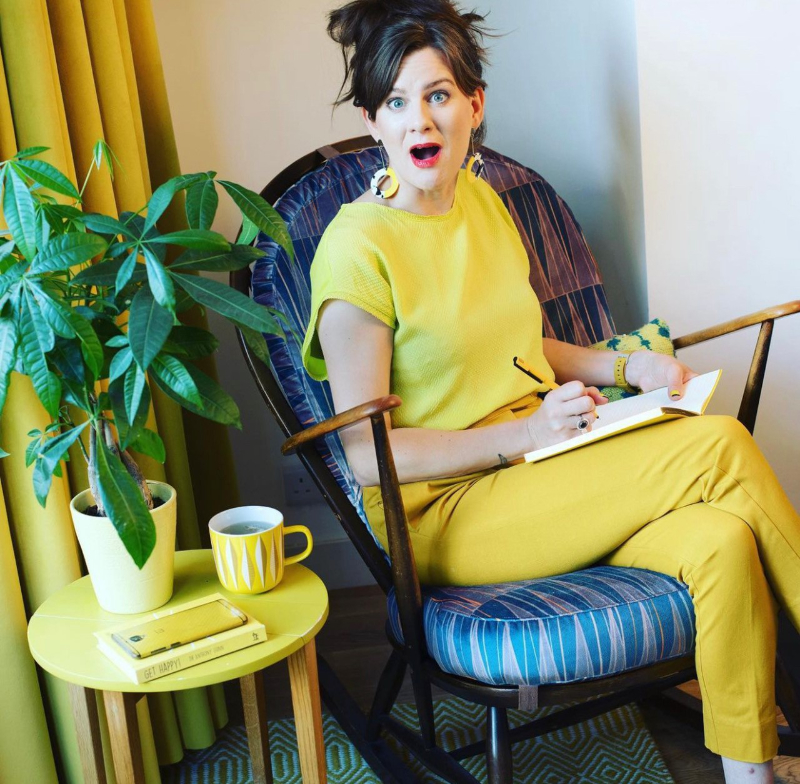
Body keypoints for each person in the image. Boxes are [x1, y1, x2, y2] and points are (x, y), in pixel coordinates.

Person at [300, 1, 800, 780]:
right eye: (395, 102)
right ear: (372, 122)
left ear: (474, 105)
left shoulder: (482, 202)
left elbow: (522, 343)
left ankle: (751, 774)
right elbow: (366, 456)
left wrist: (630, 369)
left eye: (437, 94)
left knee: (721, 541)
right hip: (446, 511)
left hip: (541, 470)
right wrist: (529, 434)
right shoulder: (356, 249)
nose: (419, 119)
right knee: (718, 447)